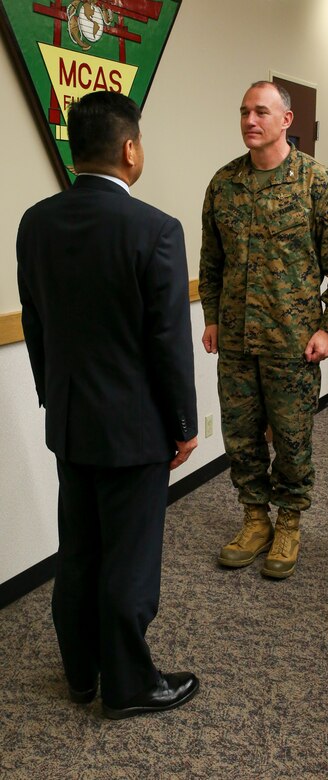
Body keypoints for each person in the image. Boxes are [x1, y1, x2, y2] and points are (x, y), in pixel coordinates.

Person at [17, 91, 199, 719]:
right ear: (130, 149)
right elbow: (169, 343)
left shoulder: (35, 222)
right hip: (135, 430)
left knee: (79, 551)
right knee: (129, 561)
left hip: (70, 422)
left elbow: (37, 328)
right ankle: (129, 686)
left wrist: (55, 403)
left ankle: (80, 673)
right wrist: (184, 425)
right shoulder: (156, 229)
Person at [199, 80, 328, 579]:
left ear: (286, 121)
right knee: (241, 438)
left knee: (292, 440)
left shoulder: (317, 183)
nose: (250, 120)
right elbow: (211, 262)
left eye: (261, 112)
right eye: (244, 111)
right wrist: (211, 317)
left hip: (294, 345)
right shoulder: (223, 183)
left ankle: (288, 522)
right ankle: (254, 519)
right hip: (238, 343)